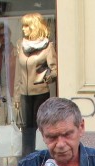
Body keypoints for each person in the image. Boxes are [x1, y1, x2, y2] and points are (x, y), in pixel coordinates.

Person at [13, 13, 57, 157]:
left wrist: (47, 78)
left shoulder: (47, 46)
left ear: (34, 27)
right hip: (25, 93)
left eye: (26, 26)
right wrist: (17, 97)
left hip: (40, 92)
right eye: (23, 26)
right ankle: (27, 158)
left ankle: (45, 156)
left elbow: (55, 69)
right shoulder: (21, 45)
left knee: (42, 126)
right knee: (26, 128)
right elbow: (18, 74)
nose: (24, 29)